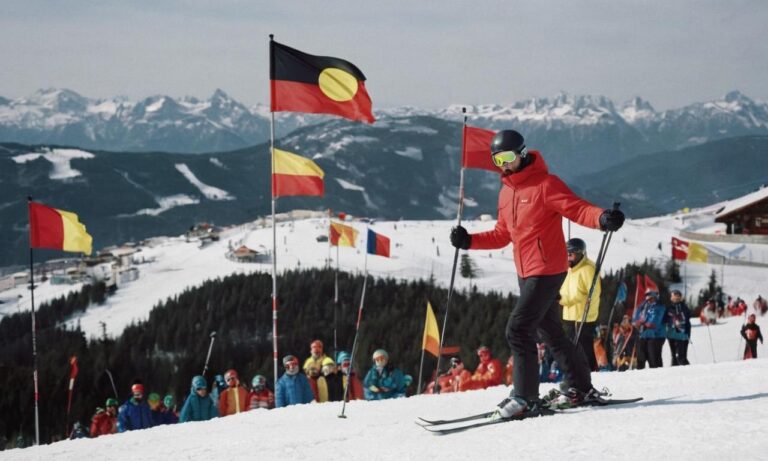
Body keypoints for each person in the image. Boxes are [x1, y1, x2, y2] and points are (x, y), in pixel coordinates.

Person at [449, 129, 625, 417]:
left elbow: (577, 209)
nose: (504, 165)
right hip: (526, 272)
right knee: (552, 333)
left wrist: (602, 218)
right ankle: (580, 386)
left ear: (522, 153)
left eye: (507, 157)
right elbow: (502, 234)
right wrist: (469, 241)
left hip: (547, 269)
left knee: (517, 329)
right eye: (497, 160)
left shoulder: (546, 184)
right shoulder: (507, 192)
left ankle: (525, 397)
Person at [559, 237, 601, 371]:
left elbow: (586, 294)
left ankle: (591, 371)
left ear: (580, 254)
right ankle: (578, 372)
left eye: (570, 254)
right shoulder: (571, 269)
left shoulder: (588, 269)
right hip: (570, 314)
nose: (568, 258)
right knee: (571, 346)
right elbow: (565, 289)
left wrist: (560, 300)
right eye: (566, 255)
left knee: (583, 345)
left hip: (582, 315)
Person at [632, 290, 667, 369]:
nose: (648, 298)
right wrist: (636, 323)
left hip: (657, 335)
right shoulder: (643, 306)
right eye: (647, 296)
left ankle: (657, 372)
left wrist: (645, 325)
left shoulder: (659, 307)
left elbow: (656, 320)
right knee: (642, 355)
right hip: (645, 334)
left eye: (651, 296)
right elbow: (637, 317)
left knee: (654, 357)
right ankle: (641, 372)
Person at [666, 289, 691, 366]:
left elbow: (687, 317)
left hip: (682, 335)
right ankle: (674, 372)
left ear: (680, 298)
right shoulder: (668, 308)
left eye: (678, 297)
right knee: (674, 356)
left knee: (681, 357)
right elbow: (664, 319)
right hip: (671, 335)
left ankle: (690, 371)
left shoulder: (684, 307)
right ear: (671, 298)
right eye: (674, 297)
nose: (676, 299)